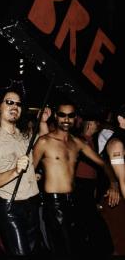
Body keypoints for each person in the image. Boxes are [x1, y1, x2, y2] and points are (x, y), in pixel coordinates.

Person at [32, 99, 119, 256]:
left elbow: (103, 163)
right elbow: (28, 171)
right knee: (64, 249)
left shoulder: (77, 143)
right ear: (56, 117)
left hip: (74, 200)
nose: (66, 119)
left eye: (70, 115)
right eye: (62, 115)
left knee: (79, 247)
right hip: (54, 203)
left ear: (75, 117)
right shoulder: (44, 141)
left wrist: (113, 183)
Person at [0, 87, 50, 255]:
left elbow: (46, 143)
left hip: (33, 204)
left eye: (18, 104)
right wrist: (15, 171)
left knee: (36, 252)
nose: (15, 106)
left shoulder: (25, 136)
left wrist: (43, 122)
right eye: (9, 102)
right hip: (11, 208)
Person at [74, 117, 114, 254]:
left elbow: (99, 166)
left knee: (89, 216)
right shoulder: (80, 140)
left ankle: (92, 246)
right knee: (88, 216)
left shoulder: (93, 141)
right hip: (80, 183)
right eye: (95, 123)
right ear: (89, 124)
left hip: (90, 183)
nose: (98, 125)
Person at [101, 104, 125, 255]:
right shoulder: (116, 143)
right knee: (120, 243)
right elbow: (123, 179)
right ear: (121, 120)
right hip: (117, 199)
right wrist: (114, 184)